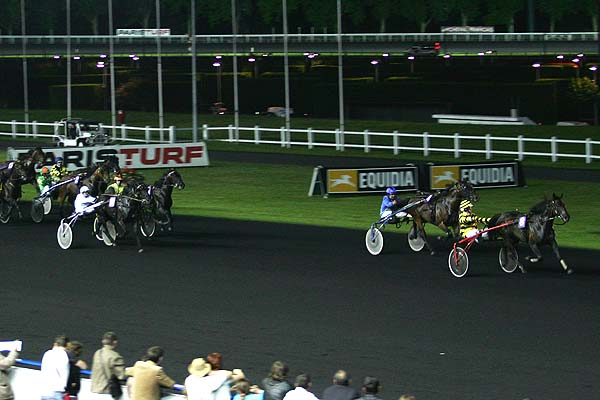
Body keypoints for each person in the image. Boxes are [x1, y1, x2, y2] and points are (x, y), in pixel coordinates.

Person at [90, 331, 126, 400]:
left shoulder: (97, 353)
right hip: (107, 393)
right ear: (115, 342)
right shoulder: (115, 357)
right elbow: (121, 376)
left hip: (94, 391)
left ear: (103, 341)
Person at [40, 335, 70, 400]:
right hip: (56, 391)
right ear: (66, 345)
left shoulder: (47, 353)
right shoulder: (63, 355)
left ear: (55, 344)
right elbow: (64, 373)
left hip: (45, 390)